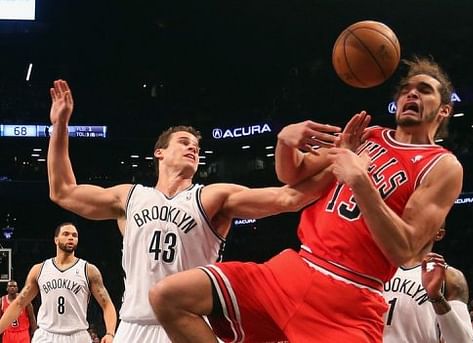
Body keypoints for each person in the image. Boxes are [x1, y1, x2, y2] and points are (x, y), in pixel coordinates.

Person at [148, 56, 463, 342]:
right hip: (292, 270)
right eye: (406, 89)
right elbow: (293, 174)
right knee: (169, 297)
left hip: (350, 301)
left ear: (444, 109)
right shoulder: (367, 135)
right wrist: (285, 141)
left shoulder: (443, 166)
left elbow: (405, 249)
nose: (411, 94)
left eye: (424, 90)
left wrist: (360, 182)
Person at [47, 80, 360, 342]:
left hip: (187, 324)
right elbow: (62, 191)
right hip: (133, 326)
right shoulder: (129, 197)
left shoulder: (212, 196)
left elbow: (287, 198)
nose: (192, 148)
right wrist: (59, 125)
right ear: (159, 153)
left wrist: (339, 161)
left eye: (196, 147)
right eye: (183, 142)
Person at [0, 223, 117, 343]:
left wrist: (110, 333)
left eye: (74, 235)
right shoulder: (39, 270)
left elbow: (107, 304)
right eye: (66, 234)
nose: (71, 237)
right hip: (46, 335)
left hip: (78, 336)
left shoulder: (89, 270)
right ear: (56, 240)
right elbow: (19, 303)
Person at [383, 226, 473, 343]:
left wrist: (436, 297)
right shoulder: (378, 266)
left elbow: (463, 341)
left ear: (439, 234)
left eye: (427, 220)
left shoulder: (450, 277)